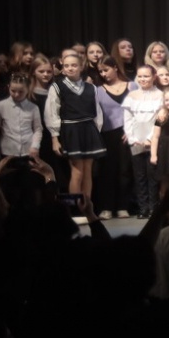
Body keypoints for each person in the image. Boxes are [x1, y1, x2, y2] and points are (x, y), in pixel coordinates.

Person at [46, 51, 106, 199]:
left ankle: (87, 205)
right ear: (63, 68)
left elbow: (97, 112)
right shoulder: (57, 87)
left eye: (74, 65)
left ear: (81, 67)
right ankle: (75, 207)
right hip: (71, 130)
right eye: (67, 66)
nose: (70, 68)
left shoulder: (90, 88)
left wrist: (96, 132)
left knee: (87, 172)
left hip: (88, 129)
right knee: (77, 172)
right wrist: (55, 138)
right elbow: (52, 112)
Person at [92, 59, 132, 218]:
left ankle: (123, 206)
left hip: (128, 132)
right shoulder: (98, 90)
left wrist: (131, 130)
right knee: (107, 170)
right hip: (107, 134)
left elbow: (138, 110)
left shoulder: (132, 86)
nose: (103, 74)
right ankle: (107, 207)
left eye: (106, 69)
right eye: (100, 71)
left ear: (115, 67)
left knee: (125, 170)